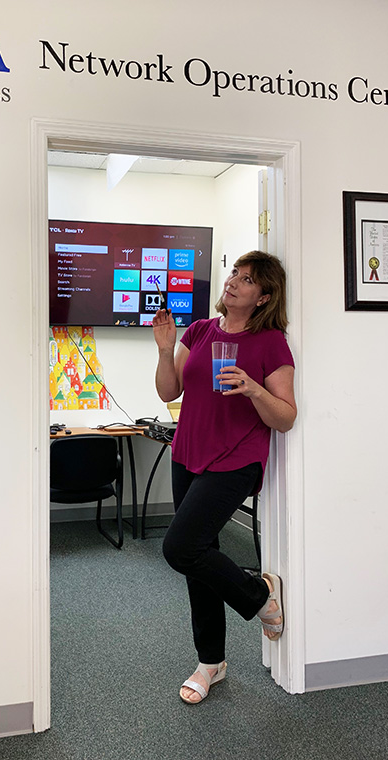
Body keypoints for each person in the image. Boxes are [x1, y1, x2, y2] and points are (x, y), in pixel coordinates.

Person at [152, 250, 296, 704]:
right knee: (199, 559)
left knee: (180, 547)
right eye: (235, 272)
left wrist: (253, 388)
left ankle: (259, 596)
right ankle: (210, 662)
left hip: (236, 458)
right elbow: (169, 391)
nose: (233, 281)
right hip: (187, 453)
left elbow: (286, 417)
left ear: (263, 296)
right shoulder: (198, 331)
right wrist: (162, 348)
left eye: (247, 278)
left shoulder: (270, 342)